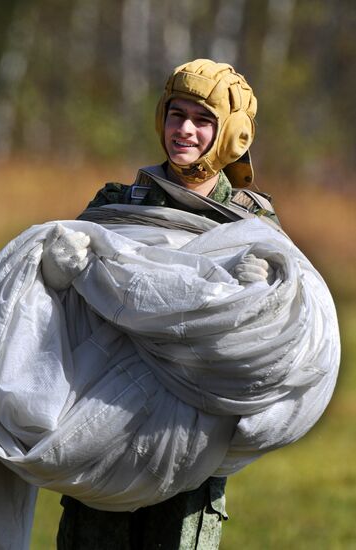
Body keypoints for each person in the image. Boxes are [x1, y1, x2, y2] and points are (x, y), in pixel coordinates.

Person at [42, 59, 278, 550]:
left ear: (232, 133)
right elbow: (66, 312)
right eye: (176, 114)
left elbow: (279, 336)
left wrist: (263, 289)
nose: (185, 130)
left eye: (202, 119)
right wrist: (60, 269)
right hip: (106, 421)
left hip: (192, 434)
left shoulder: (252, 220)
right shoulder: (118, 203)